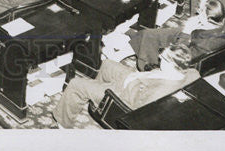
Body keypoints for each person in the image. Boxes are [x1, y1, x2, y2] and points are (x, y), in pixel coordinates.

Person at [52, 44, 199, 128]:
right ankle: (97, 100)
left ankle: (63, 123)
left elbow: (136, 106)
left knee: (76, 85)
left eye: (164, 58)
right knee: (108, 64)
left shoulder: (160, 91)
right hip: (140, 82)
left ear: (173, 65)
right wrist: (137, 77)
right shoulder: (191, 72)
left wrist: (131, 80)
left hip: (124, 98)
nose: (160, 57)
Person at [128, 0, 225, 71]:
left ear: (208, 19)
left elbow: (182, 56)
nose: (198, 12)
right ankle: (141, 40)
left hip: (188, 45)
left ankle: (149, 69)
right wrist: (201, 22)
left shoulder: (206, 45)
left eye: (201, 11)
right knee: (148, 35)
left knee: (147, 38)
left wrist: (187, 32)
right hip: (199, 32)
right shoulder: (223, 16)